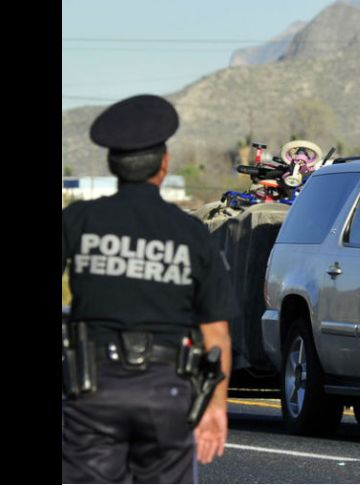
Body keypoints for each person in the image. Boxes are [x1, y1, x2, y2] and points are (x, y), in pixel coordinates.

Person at [62, 94, 236, 483]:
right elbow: (216, 335)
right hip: (167, 392)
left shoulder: (78, 220)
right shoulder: (191, 234)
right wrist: (215, 408)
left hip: (93, 387)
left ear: (113, 166)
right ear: (164, 165)